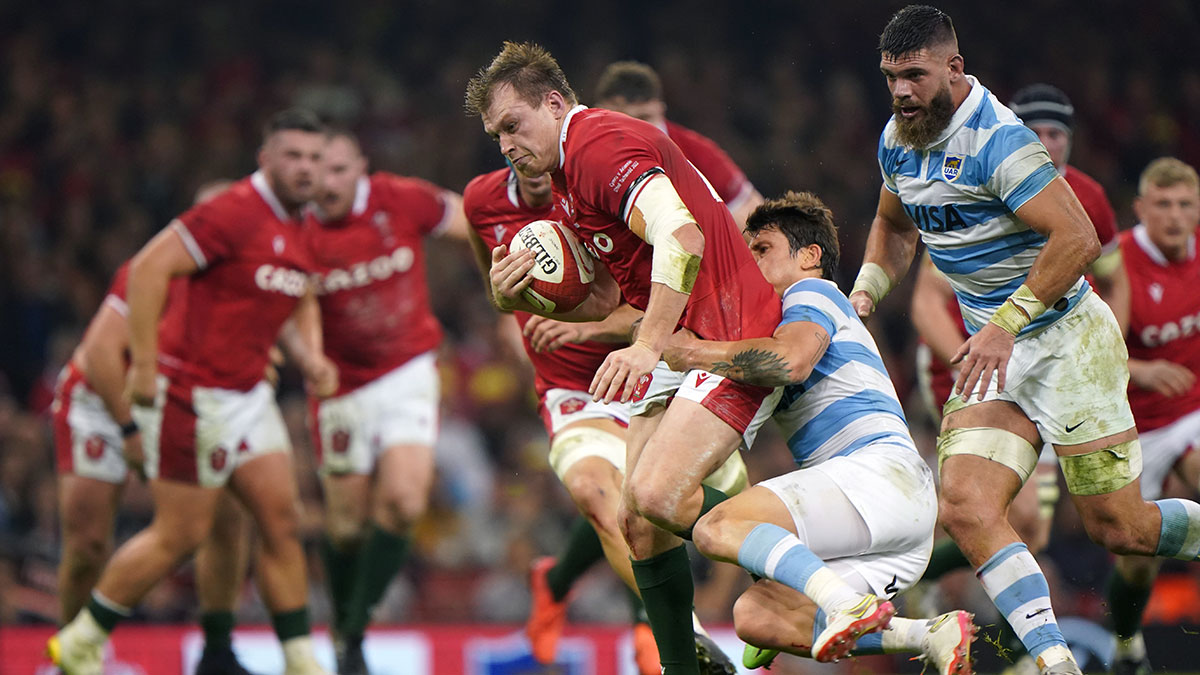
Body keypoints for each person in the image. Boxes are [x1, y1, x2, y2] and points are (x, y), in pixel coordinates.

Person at [851, 7, 1200, 674]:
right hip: (1000, 348)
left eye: (914, 75)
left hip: (1068, 341)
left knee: (1118, 527)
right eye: (891, 76)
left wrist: (1005, 324)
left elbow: (1079, 239)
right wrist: (867, 288)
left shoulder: (1000, 141)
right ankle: (1052, 659)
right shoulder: (898, 137)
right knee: (964, 505)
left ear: (954, 68)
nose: (900, 91)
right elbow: (895, 224)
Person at [466, 42, 781, 675]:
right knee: (638, 521)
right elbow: (601, 301)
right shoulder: (564, 178)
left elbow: (683, 235)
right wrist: (516, 298)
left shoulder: (597, 146)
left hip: (722, 336)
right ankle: (682, 662)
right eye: (495, 135)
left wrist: (645, 343)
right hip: (681, 340)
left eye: (512, 124)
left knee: (662, 500)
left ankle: (802, 580)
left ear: (555, 103)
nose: (504, 144)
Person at [48, 108, 337, 675]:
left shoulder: (296, 229)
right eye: (293, 157)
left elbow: (295, 295)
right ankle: (80, 642)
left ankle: (276, 656)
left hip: (241, 393)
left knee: (273, 519)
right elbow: (104, 349)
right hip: (144, 395)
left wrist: (309, 354)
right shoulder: (213, 231)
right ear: (265, 161)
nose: (305, 169)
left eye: (313, 158)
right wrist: (139, 399)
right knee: (150, 536)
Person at [663, 191, 975, 674]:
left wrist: (693, 354)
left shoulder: (812, 293)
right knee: (756, 616)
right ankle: (926, 633)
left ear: (810, 256)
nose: (751, 264)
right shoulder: (773, 328)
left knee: (717, 527)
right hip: (891, 523)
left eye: (762, 250)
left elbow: (789, 360)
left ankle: (841, 602)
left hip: (877, 473)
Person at [910, 84, 1128, 668]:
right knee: (1006, 512)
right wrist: (967, 353)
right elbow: (926, 299)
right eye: (1036, 131)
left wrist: (1112, 355)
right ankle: (1027, 649)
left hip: (1054, 368)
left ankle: (916, 580)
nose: (1047, 141)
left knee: (1061, 525)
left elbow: (1112, 276)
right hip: (977, 372)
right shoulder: (980, 182)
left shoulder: (1089, 199)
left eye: (1058, 132)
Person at [51, 180, 261, 675]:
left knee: (228, 515)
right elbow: (102, 354)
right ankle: (75, 659)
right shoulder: (155, 269)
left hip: (176, 401)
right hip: (103, 402)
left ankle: (217, 649)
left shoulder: (242, 283)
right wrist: (128, 431)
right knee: (87, 545)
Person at [304, 129, 469, 675]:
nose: (324, 182)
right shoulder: (297, 230)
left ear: (360, 169)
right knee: (346, 526)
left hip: (408, 369)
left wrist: (511, 280)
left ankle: (352, 628)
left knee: (402, 501)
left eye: (337, 169)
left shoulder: (399, 198)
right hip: (340, 386)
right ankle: (346, 622)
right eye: (316, 171)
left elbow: (471, 219)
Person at [1104, 158, 1200, 675]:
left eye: (1185, 204)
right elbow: (1088, 349)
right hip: (1132, 427)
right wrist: (1141, 369)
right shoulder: (1117, 263)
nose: (1174, 215)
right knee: (1137, 565)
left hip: (1192, 413)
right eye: (1162, 204)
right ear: (1141, 209)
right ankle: (1125, 643)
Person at [592, 61, 764, 228]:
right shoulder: (580, 156)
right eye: (623, 119)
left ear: (660, 109)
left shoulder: (698, 153)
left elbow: (756, 222)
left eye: (645, 118)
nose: (636, 131)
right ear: (599, 113)